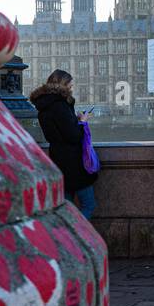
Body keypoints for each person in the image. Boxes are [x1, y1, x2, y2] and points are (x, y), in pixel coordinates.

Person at [30, 69, 98, 219]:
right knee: (89, 205)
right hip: (73, 163)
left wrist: (75, 120)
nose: (72, 89)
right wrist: (82, 122)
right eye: (71, 86)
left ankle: (67, 235)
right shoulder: (60, 105)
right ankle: (75, 234)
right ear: (63, 85)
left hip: (58, 159)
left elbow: (57, 132)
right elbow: (73, 136)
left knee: (67, 209)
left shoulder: (44, 107)